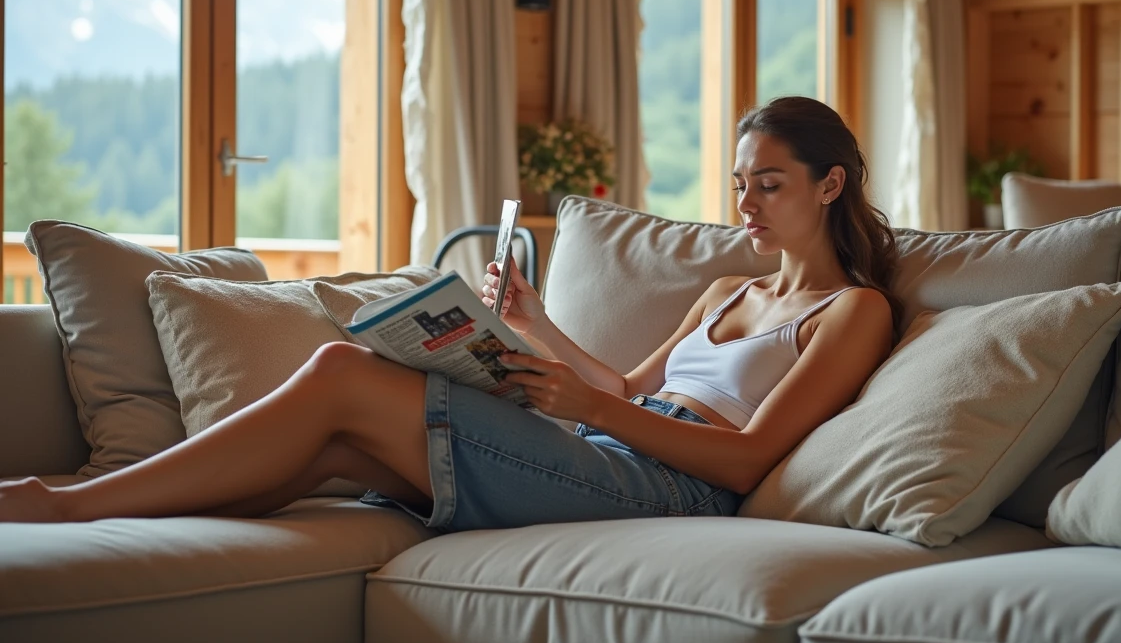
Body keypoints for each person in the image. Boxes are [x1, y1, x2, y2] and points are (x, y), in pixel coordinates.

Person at [0, 96, 899, 528]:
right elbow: (625, 385)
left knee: (344, 373)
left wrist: (591, 409)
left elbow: (746, 458)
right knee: (341, 445)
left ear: (829, 185)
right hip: (610, 441)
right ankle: (128, 520)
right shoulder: (726, 291)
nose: (745, 203)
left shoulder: (851, 312)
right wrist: (537, 326)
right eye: (740, 184)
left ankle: (69, 503)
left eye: (770, 185)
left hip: (676, 487)